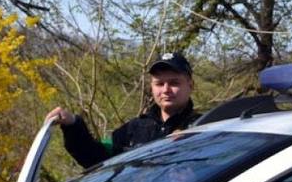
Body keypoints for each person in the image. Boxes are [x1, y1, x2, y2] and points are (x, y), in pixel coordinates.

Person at [47, 51, 197, 169]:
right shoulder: (133, 129)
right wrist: (72, 125)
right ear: (151, 87)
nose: (166, 89)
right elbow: (94, 158)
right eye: (159, 83)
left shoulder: (203, 128)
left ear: (190, 85)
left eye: (174, 83)